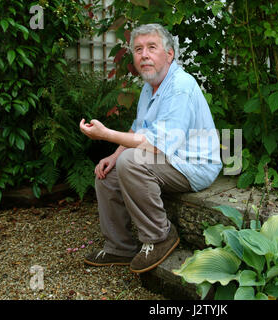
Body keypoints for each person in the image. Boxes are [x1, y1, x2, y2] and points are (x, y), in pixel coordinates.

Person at [79, 23, 222, 273]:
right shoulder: (150, 86)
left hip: (194, 164)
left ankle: (159, 236)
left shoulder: (180, 87)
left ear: (169, 54)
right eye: (138, 49)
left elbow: (156, 145)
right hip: (168, 158)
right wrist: (113, 155)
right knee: (107, 173)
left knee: (131, 162)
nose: (144, 54)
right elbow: (139, 129)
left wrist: (106, 135)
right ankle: (119, 247)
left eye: (151, 47)